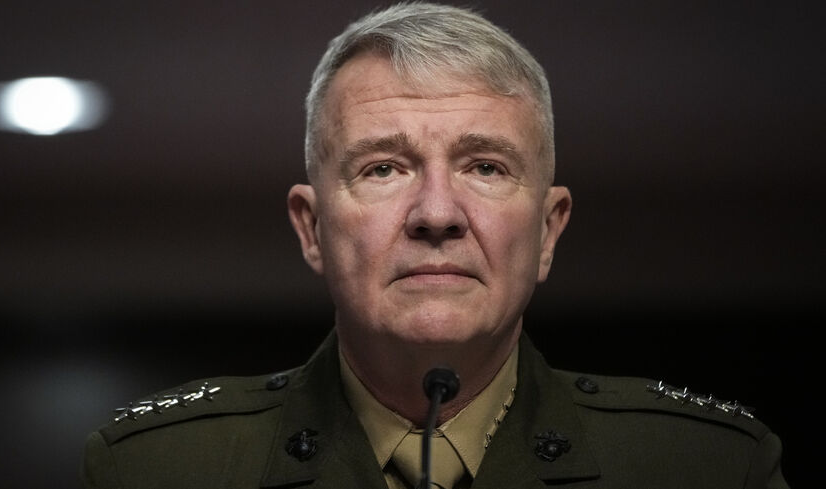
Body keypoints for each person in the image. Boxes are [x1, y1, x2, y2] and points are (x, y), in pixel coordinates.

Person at [81, 3, 789, 488]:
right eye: (384, 167)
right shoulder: (161, 468)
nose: (438, 213)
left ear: (547, 231)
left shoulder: (706, 465)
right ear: (311, 229)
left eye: (485, 166)